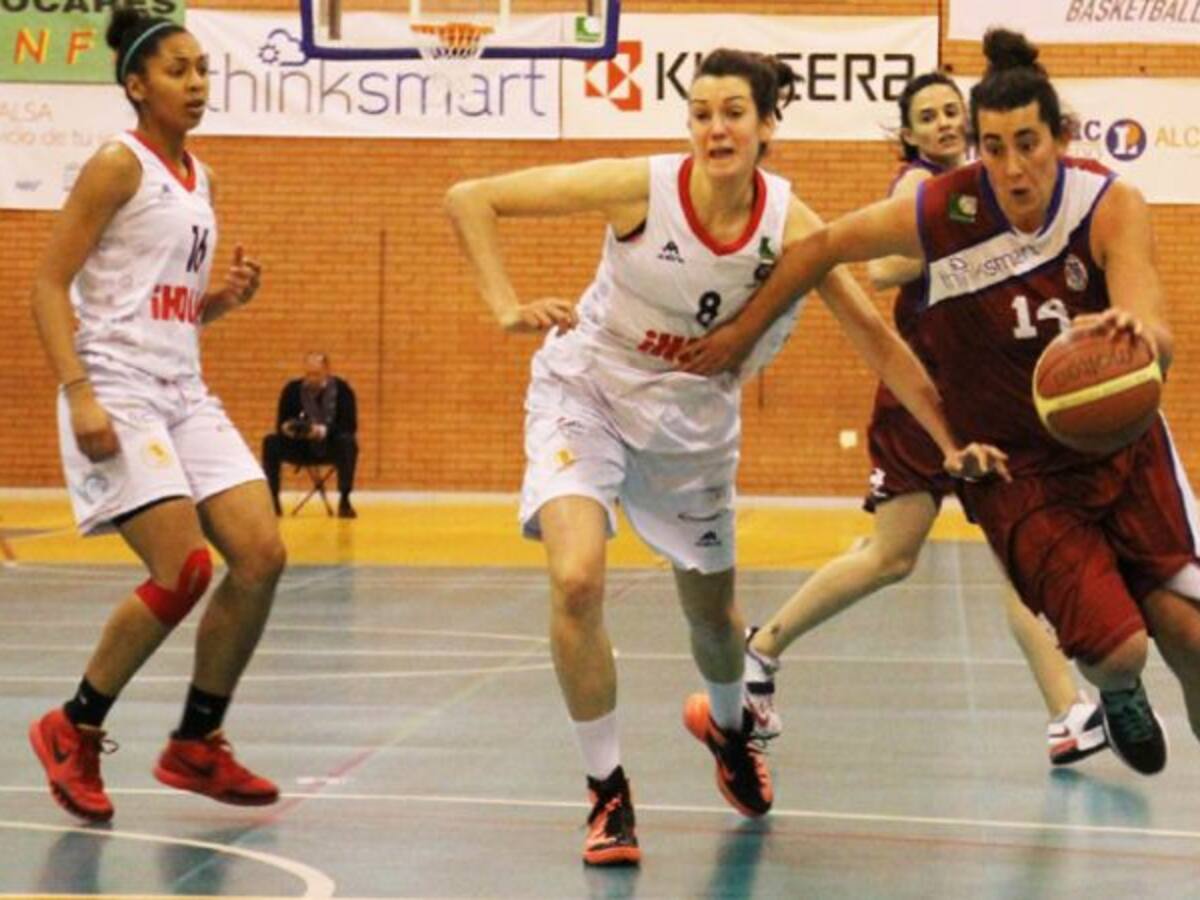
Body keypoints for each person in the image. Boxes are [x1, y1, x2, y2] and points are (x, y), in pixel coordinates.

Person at [446, 48, 1006, 866]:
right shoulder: (642, 187)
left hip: (693, 430)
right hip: (588, 391)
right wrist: (503, 305)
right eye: (701, 111)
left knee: (711, 620)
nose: (715, 127)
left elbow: (878, 341)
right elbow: (472, 198)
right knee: (576, 577)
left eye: (733, 112)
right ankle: (607, 793)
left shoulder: (793, 229)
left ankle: (730, 726)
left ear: (767, 126)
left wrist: (953, 442)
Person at [680, 29, 1195, 779]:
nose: (1013, 167)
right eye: (994, 147)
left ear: (1062, 137)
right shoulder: (937, 207)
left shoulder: (1110, 202)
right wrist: (740, 333)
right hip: (1015, 464)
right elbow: (820, 249)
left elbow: (1160, 331)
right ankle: (1112, 690)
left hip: (1121, 447)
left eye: (1029, 143)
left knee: (1189, 636)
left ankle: (1090, 693)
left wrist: (1137, 336)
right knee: (1120, 649)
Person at [739, 71, 1106, 767]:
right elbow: (881, 270)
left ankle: (1069, 713)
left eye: (950, 112)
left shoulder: (985, 185)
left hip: (986, 399)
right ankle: (762, 646)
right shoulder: (920, 189)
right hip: (924, 399)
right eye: (928, 116)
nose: (943, 123)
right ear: (907, 134)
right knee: (893, 555)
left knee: (1010, 556)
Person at [27, 7, 286, 823]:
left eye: (203, 69)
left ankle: (195, 743)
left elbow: (157, 305)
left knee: (261, 552)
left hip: (182, 386)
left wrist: (216, 304)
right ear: (136, 85)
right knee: (185, 570)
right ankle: (73, 723)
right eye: (178, 70)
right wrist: (79, 394)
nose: (197, 83)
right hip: (116, 386)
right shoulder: (117, 163)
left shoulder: (199, 177)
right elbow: (46, 285)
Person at [262, 352, 359, 519]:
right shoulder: (292, 390)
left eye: (316, 374)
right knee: (270, 442)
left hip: (330, 444)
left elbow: (349, 426)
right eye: (308, 374)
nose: (311, 378)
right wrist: (289, 429)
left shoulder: (343, 390)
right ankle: (273, 500)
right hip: (300, 446)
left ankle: (344, 500)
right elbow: (280, 423)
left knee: (348, 443)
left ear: (327, 371)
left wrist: (321, 431)